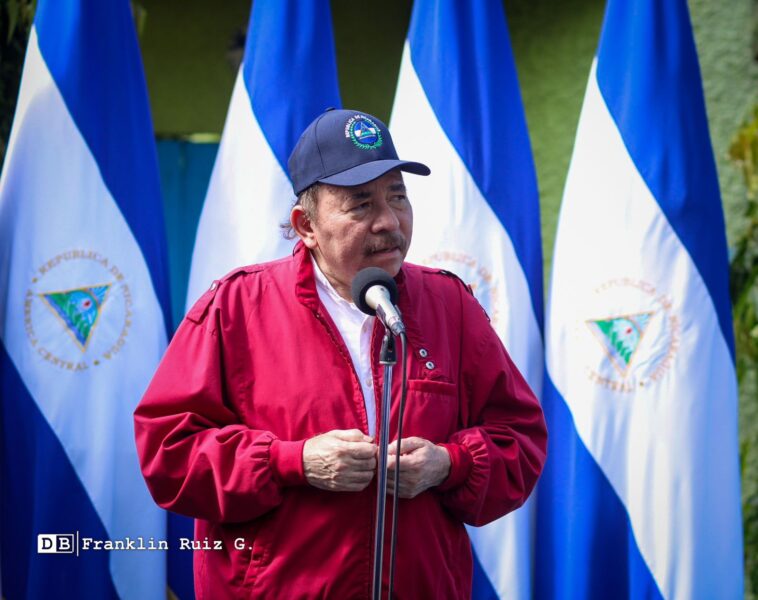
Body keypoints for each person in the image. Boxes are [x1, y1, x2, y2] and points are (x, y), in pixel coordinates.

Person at [134, 108, 547, 599]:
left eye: (398, 196)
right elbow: (168, 452)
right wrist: (291, 461)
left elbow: (519, 439)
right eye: (361, 204)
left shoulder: (449, 305)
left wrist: (449, 464)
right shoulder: (236, 306)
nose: (388, 221)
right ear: (305, 225)